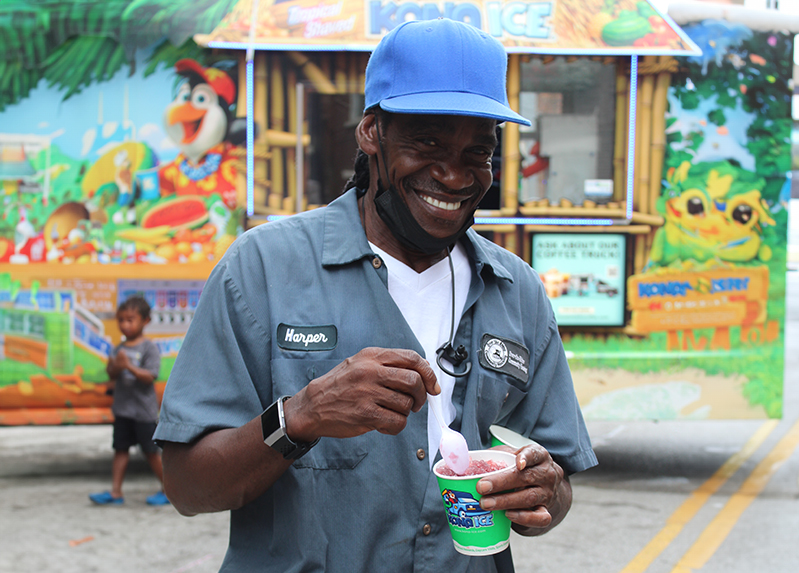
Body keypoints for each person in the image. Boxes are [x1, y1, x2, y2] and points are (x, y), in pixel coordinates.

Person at [156, 18, 597, 572]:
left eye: (476, 153)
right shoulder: (264, 268)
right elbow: (187, 487)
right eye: (427, 142)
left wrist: (544, 492)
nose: (455, 176)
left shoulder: (518, 292)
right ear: (371, 133)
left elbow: (554, 487)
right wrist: (301, 417)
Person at [90, 295, 168, 506]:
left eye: (130, 319)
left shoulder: (148, 348)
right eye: (121, 320)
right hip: (123, 410)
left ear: (145, 321)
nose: (125, 324)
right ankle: (116, 492)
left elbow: (150, 376)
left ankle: (168, 491)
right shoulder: (120, 348)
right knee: (121, 449)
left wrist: (128, 366)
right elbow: (112, 375)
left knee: (151, 452)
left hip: (144, 412)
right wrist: (114, 365)